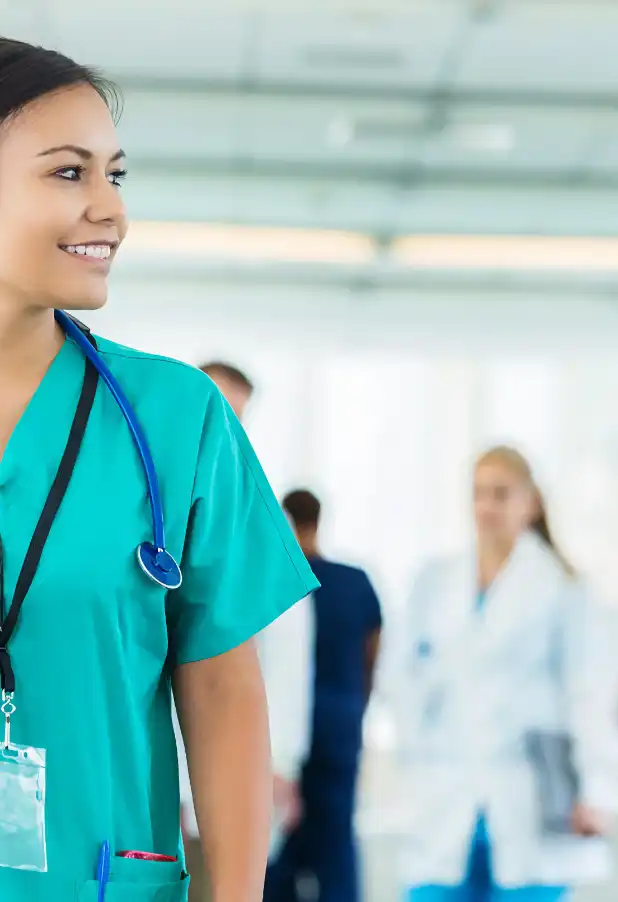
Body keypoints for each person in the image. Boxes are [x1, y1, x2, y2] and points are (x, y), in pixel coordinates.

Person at [0, 38, 318, 902]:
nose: (111, 210)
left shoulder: (174, 419)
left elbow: (220, 690)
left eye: (116, 175)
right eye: (69, 174)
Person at [395, 446, 611, 902]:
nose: (485, 507)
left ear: (530, 503)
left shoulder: (562, 586)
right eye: (477, 494)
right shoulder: (435, 582)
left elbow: (586, 694)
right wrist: (412, 752)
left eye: (500, 494)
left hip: (529, 790)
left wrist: (592, 787)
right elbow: (402, 679)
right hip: (445, 785)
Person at [177, 362, 315, 902]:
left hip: (234, 761)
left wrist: (282, 765)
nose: (222, 425)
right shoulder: (142, 503)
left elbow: (288, 660)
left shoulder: (259, 521)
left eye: (235, 415)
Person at [264, 489, 383, 902]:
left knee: (276, 850)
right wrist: (357, 704)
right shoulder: (354, 582)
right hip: (339, 727)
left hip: (282, 736)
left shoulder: (277, 583)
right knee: (335, 848)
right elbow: (374, 652)